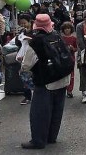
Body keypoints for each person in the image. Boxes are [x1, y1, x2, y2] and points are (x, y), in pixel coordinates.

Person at [20, 14, 70, 149]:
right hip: (63, 77)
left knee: (40, 112)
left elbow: (26, 66)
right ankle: (51, 136)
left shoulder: (36, 42)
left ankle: (38, 140)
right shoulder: (57, 36)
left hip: (46, 80)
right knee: (57, 110)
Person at [16, 14, 34, 105]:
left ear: (30, 21)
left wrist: (30, 39)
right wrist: (18, 37)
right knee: (24, 76)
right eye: (21, 23)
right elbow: (18, 43)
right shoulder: (22, 31)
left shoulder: (35, 31)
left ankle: (34, 94)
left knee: (32, 76)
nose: (23, 25)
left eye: (24, 23)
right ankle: (27, 96)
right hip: (23, 55)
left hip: (33, 55)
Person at [60, 21, 77, 98]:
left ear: (71, 29)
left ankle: (69, 90)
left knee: (71, 75)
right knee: (63, 74)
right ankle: (63, 89)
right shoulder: (61, 38)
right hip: (62, 59)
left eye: (68, 28)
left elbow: (76, 48)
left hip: (71, 58)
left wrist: (72, 48)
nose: (67, 30)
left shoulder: (74, 38)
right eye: (65, 28)